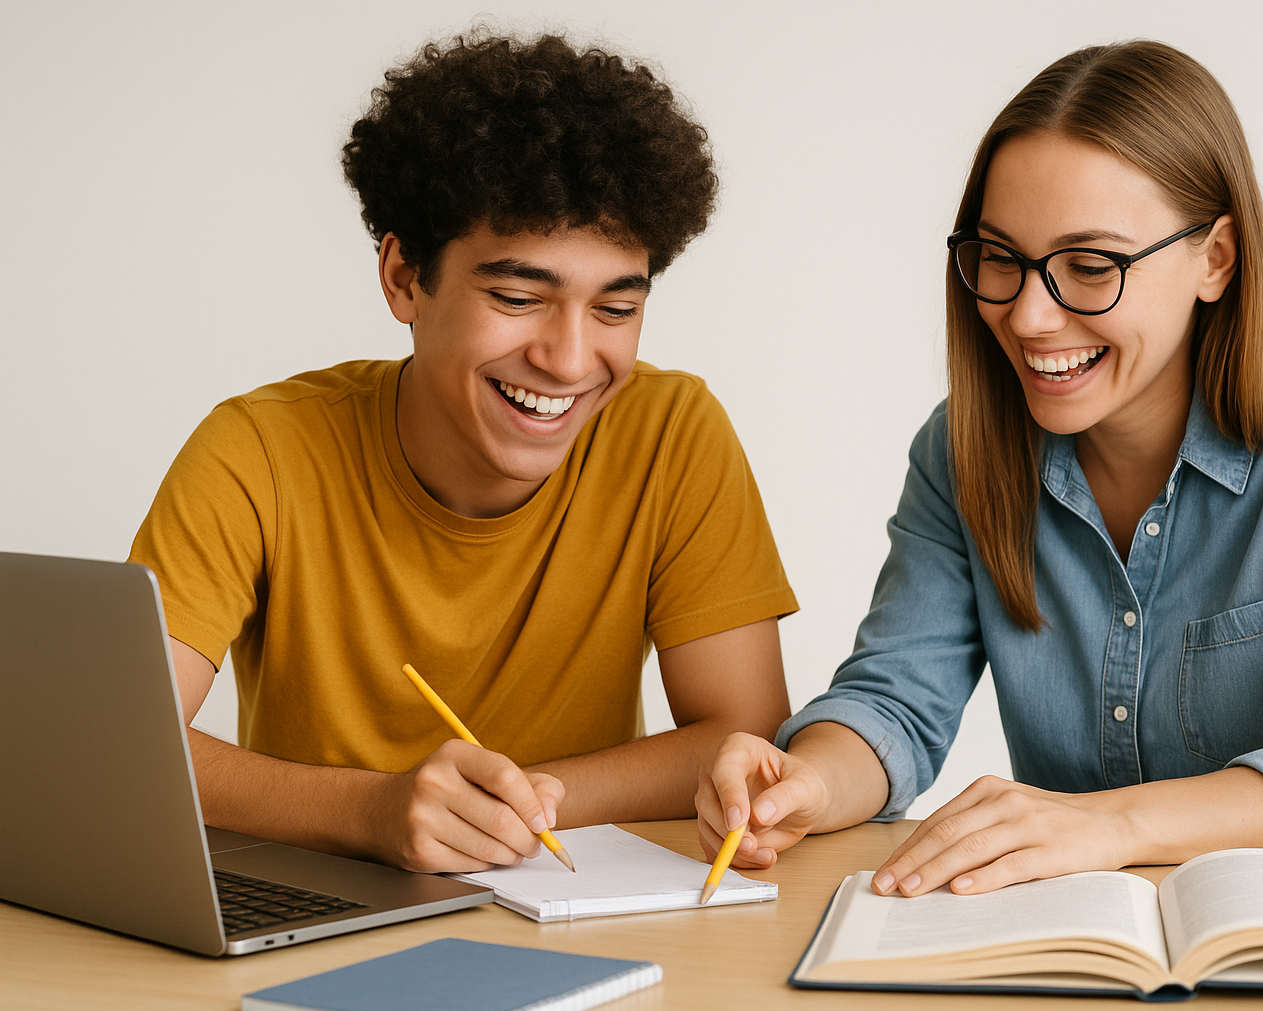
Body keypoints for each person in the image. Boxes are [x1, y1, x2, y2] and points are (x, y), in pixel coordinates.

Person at [697, 40, 1263, 896]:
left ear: (1215, 258)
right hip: (1098, 941)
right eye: (1000, 259)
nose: (1028, 316)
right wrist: (808, 779)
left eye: (1090, 267)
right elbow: (895, 705)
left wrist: (1111, 823)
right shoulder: (962, 451)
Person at [130, 31, 798, 874]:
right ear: (405, 278)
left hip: (577, 910)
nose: (567, 357)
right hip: (322, 903)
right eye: (519, 297)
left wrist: (515, 804)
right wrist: (373, 811)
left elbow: (744, 738)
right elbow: (121, 742)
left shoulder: (672, 432)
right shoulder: (258, 450)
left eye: (616, 310)